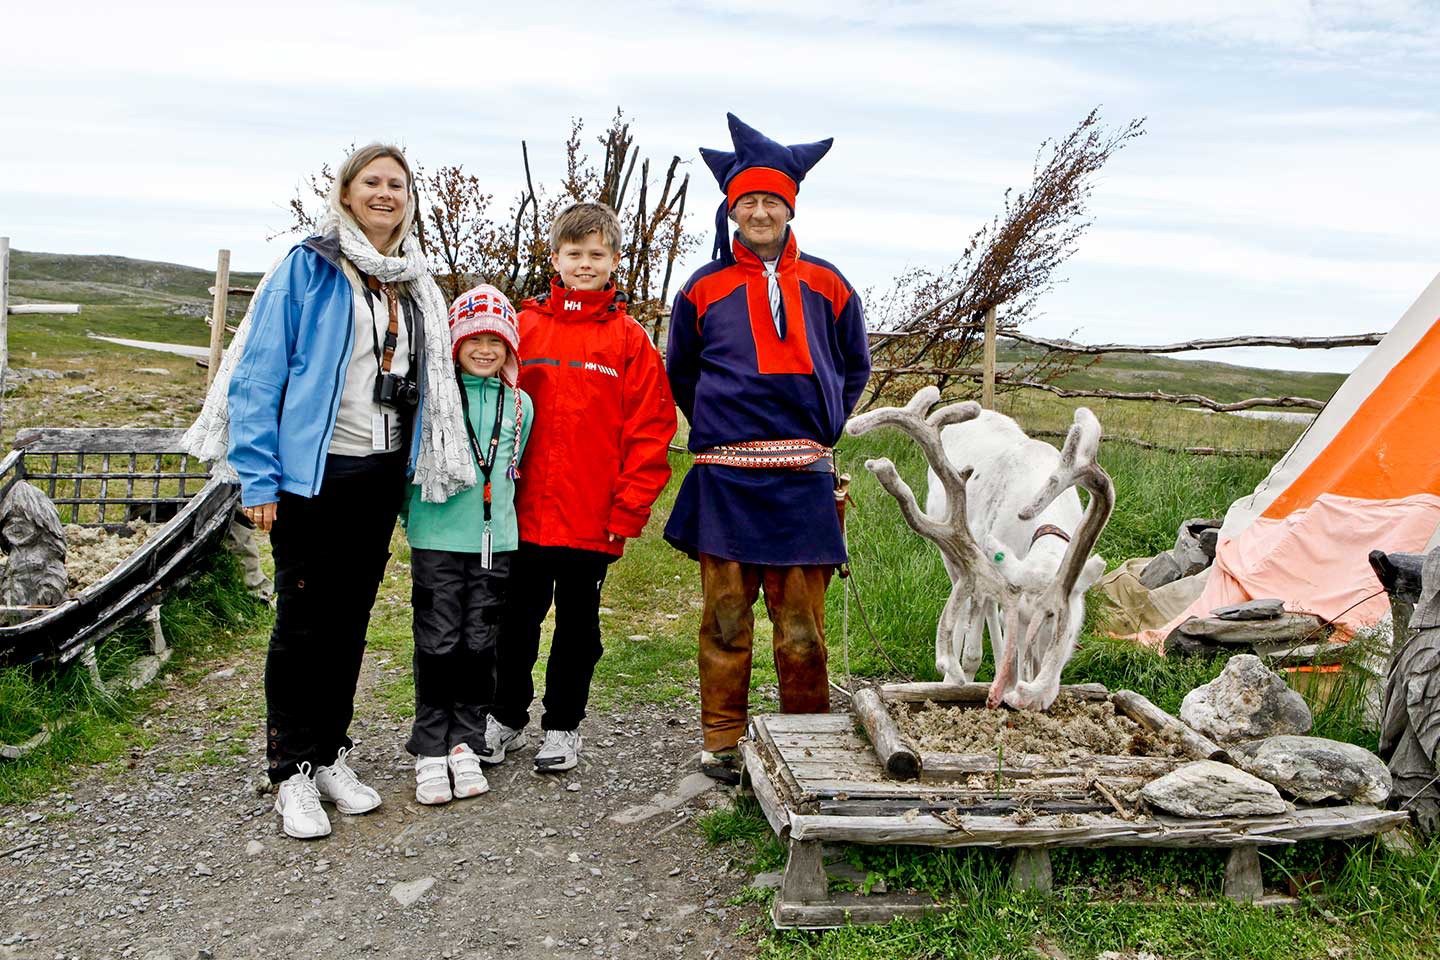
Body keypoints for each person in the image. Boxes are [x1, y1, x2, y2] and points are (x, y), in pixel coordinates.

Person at [184, 143, 477, 838]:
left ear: (410, 199)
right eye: (371, 182)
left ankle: (330, 754)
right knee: (303, 623)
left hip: (377, 474)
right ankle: (289, 771)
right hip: (312, 476)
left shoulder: (411, 282)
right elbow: (259, 377)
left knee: (349, 620)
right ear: (346, 194)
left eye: (397, 185)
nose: (385, 194)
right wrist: (259, 476)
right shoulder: (309, 269)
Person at [665, 114, 871, 783]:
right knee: (725, 619)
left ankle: (806, 740)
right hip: (727, 479)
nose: (759, 212)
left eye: (771, 202)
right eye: (747, 201)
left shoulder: (831, 285)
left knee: (801, 626)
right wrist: (723, 427)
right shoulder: (702, 288)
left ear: (790, 209)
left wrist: (824, 424)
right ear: (732, 211)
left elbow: (854, 366)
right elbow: (683, 372)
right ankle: (722, 740)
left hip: (801, 479)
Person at [484, 202, 677, 773]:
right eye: (575, 254)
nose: (585, 264)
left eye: (597, 254)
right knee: (514, 620)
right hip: (519, 514)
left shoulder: (629, 341)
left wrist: (628, 509)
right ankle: (504, 717)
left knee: (577, 627)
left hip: (591, 518)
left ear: (616, 260)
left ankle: (563, 725)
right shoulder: (524, 327)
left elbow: (651, 432)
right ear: (556, 258)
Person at [403, 284, 532, 805]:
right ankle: (431, 746)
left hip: (495, 542)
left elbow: (512, 471)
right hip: (437, 538)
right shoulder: (435, 400)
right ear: (454, 342)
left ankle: (467, 739)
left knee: (481, 642)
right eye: (473, 338)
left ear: (510, 349)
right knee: (438, 640)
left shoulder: (521, 404)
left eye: (496, 341)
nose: (484, 349)